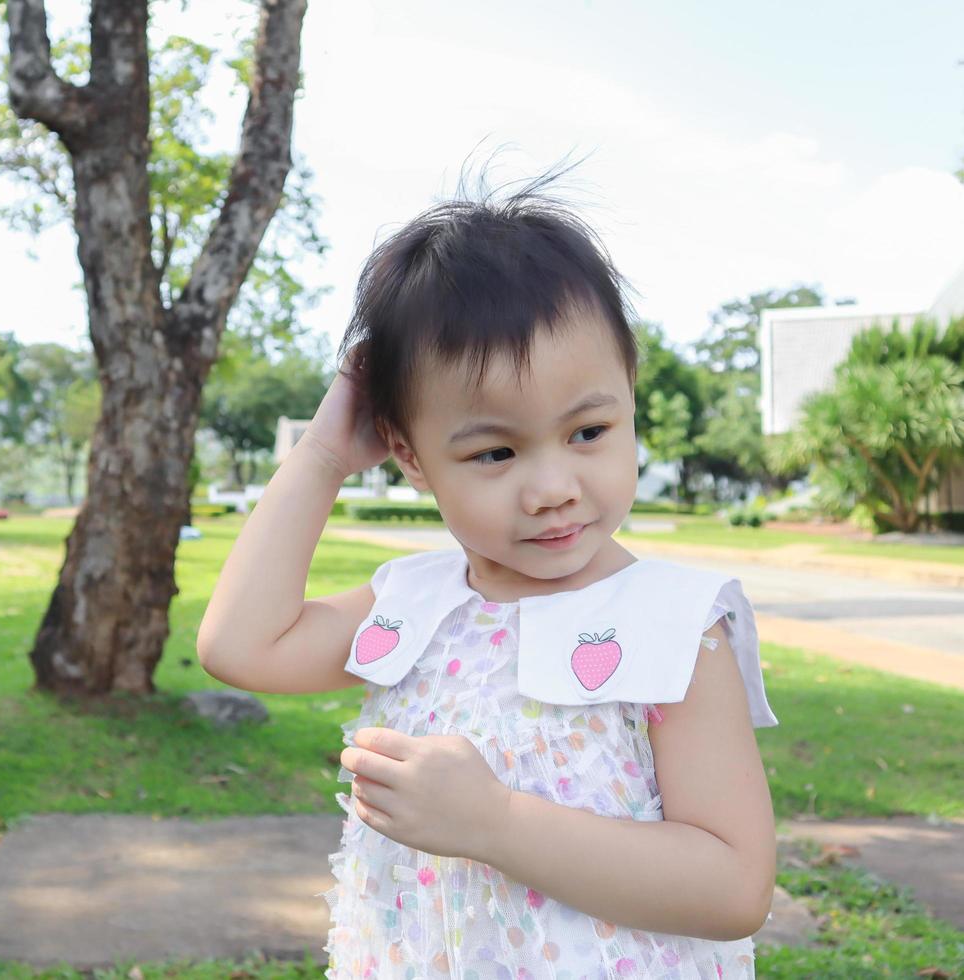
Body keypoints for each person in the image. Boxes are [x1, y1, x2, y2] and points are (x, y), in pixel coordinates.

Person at [196, 169, 779, 979]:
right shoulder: (417, 603)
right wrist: (324, 455)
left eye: (589, 431)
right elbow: (241, 646)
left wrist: (497, 822)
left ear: (630, 399)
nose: (552, 488)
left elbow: (733, 886)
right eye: (495, 452)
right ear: (409, 455)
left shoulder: (675, 627)